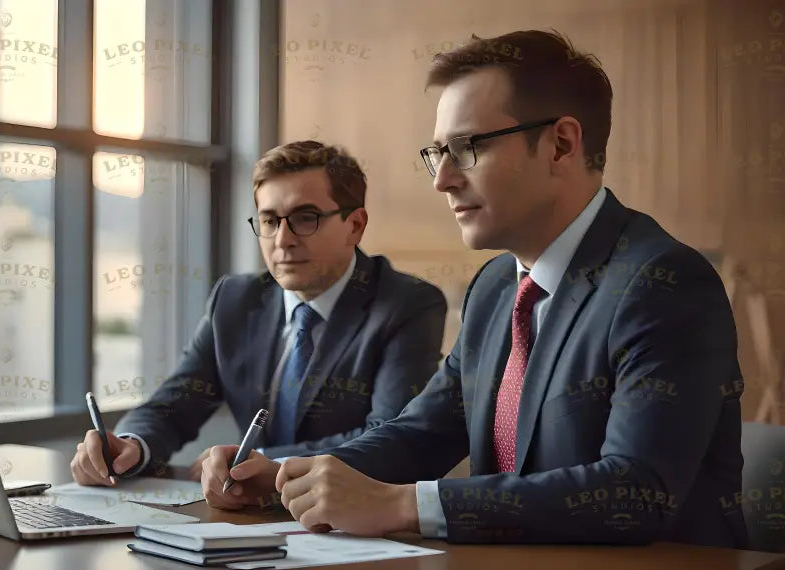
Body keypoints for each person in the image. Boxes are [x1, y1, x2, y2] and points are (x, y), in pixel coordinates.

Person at [200, 30, 748, 549]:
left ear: (560, 144)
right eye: (437, 153)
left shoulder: (662, 284)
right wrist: (282, 476)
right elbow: (423, 433)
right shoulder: (494, 288)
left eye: (466, 148)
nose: (442, 179)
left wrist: (405, 506)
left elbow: (635, 490)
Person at [70, 140, 447, 485]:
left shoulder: (406, 304)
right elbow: (174, 405)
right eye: (269, 221)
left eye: (305, 218)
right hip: (248, 520)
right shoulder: (234, 300)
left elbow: (389, 434)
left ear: (355, 225)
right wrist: (132, 445)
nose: (283, 240)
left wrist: (263, 461)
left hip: (357, 522)